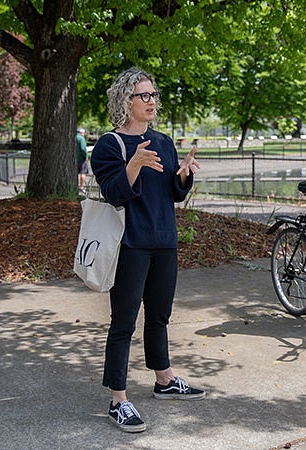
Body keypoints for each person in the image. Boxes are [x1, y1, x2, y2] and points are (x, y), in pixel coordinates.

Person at [90, 67, 203, 433]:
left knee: (160, 317)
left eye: (154, 94)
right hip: (130, 244)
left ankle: (164, 380)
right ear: (126, 100)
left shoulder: (165, 142)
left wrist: (183, 175)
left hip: (164, 241)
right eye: (144, 95)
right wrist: (134, 164)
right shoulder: (111, 144)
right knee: (123, 323)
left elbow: (170, 192)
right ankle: (118, 400)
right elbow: (114, 193)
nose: (152, 101)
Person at [76, 128, 89, 194]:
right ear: (82, 133)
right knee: (83, 172)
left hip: (74, 158)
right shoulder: (81, 138)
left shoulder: (73, 137)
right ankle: (81, 187)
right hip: (81, 158)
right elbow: (83, 149)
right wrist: (85, 157)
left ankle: (75, 187)